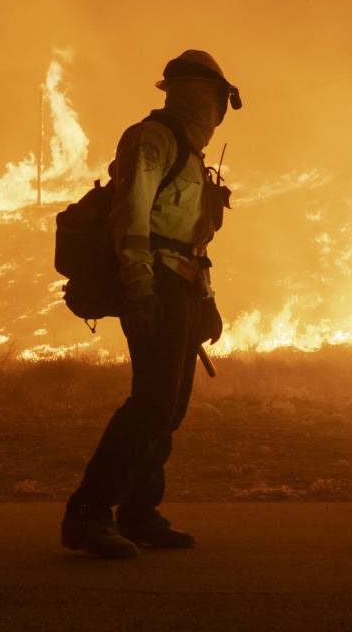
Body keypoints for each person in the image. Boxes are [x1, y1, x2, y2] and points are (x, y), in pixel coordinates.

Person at [61, 50, 239, 558]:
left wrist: (205, 301)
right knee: (152, 402)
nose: (216, 113)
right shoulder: (152, 139)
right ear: (201, 97)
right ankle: (88, 513)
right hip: (154, 282)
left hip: (180, 284)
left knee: (171, 407)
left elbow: (192, 241)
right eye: (216, 101)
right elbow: (132, 218)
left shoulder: (189, 153)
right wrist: (139, 289)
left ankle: (140, 514)